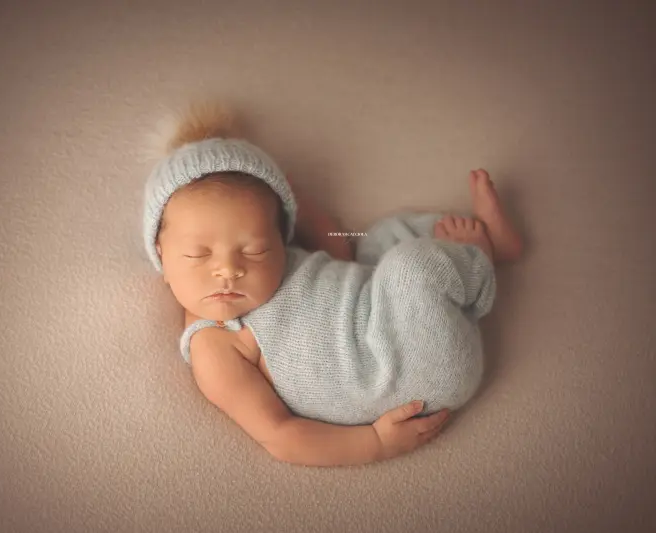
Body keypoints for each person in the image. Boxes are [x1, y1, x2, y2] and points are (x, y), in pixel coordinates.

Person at [142, 101, 523, 467]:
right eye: (198, 255)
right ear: (161, 253)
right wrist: (375, 443)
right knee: (409, 267)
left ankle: (488, 245)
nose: (228, 269)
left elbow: (339, 252)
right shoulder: (214, 342)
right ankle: (478, 258)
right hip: (402, 369)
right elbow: (279, 434)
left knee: (381, 236)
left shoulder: (286, 260)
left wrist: (300, 203)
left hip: (382, 311)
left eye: (255, 250)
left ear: (279, 240)